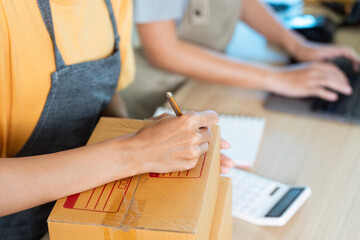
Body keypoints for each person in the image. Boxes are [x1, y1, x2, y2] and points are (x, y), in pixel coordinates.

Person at [0, 0, 234, 239]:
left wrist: (149, 141)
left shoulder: (115, 3)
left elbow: (105, 93)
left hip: (89, 210)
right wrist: (134, 152)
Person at [120, 0, 360, 119]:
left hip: (209, 78)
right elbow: (164, 50)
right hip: (161, 96)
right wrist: (277, 79)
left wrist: (298, 45)